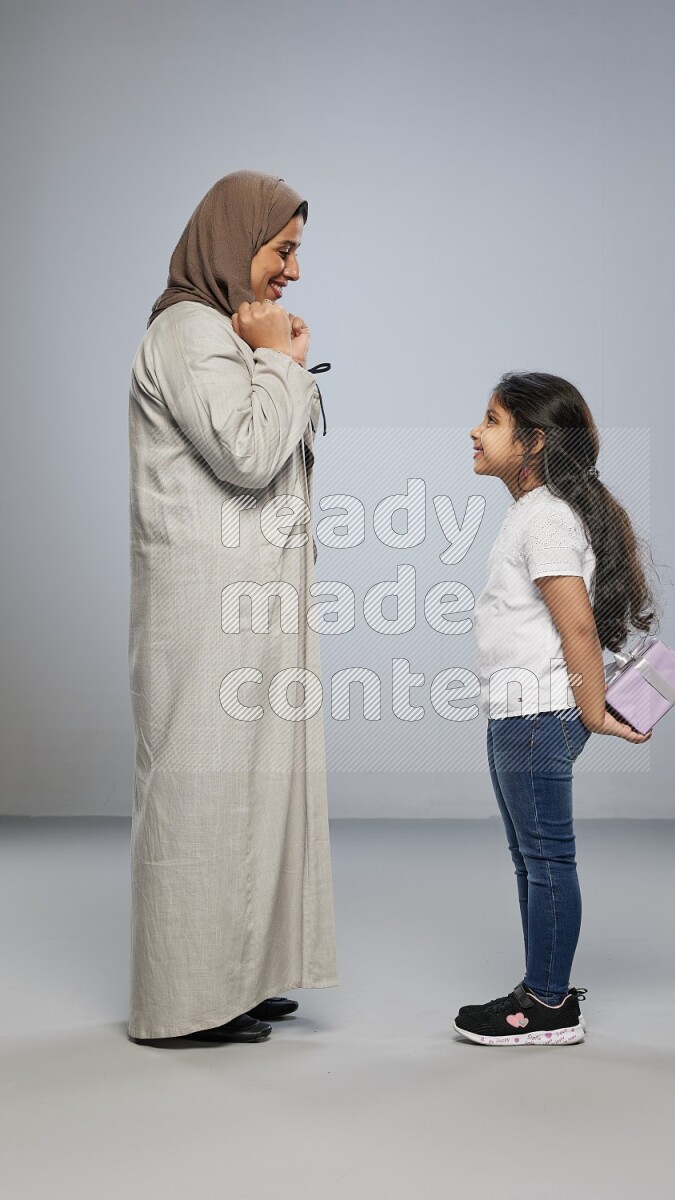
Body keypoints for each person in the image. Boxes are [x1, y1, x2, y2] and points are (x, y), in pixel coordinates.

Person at [127, 170, 337, 1044]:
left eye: (296, 253)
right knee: (203, 790)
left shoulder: (221, 333)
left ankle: (237, 977)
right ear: (233, 241)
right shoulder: (188, 333)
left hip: (245, 601)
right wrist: (282, 362)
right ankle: (183, 1003)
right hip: (206, 606)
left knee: (256, 786)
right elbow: (248, 452)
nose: (291, 271)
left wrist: (272, 359)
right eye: (281, 250)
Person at [453, 372, 658, 1047]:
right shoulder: (535, 512)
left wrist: (593, 712)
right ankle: (542, 987)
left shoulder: (546, 518)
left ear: (532, 442)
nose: (475, 432)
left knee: (546, 860)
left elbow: (576, 628)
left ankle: (548, 1006)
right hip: (518, 716)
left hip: (538, 716)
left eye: (491, 420)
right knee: (533, 861)